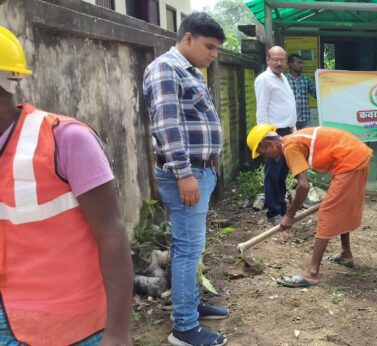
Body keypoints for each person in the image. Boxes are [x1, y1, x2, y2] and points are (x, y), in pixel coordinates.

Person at [0, 25, 133, 345]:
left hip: (76, 326)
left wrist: (118, 333)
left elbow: (112, 233)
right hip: (8, 317)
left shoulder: (66, 139)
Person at [142, 13, 229, 346]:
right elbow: (167, 126)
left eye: (218, 49)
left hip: (197, 170)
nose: (214, 54)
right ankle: (184, 328)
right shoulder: (166, 69)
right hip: (186, 172)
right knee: (188, 249)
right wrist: (184, 174)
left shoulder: (189, 71)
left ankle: (190, 305)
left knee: (189, 247)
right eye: (210, 47)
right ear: (188, 38)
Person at [246, 125, 372, 287]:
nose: (267, 158)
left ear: (270, 145)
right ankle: (346, 254)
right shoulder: (292, 141)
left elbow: (303, 185)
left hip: (350, 160)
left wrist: (289, 215)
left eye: (264, 154)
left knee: (328, 212)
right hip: (354, 155)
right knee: (340, 208)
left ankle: (312, 273)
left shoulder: (289, 147)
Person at [255, 46, 298, 225]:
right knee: (272, 173)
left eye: (282, 59)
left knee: (282, 173)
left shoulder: (284, 79)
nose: (279, 63)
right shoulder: (264, 80)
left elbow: (288, 106)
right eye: (275, 59)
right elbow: (261, 111)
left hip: (287, 132)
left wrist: (293, 129)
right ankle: (273, 212)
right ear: (268, 60)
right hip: (275, 133)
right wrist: (269, 137)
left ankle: (281, 206)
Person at [286, 54, 316, 130]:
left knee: (305, 141)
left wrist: (321, 81)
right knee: (292, 141)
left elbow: (316, 94)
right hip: (290, 120)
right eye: (299, 63)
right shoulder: (284, 80)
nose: (302, 65)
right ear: (290, 64)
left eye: (302, 63)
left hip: (305, 119)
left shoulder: (306, 79)